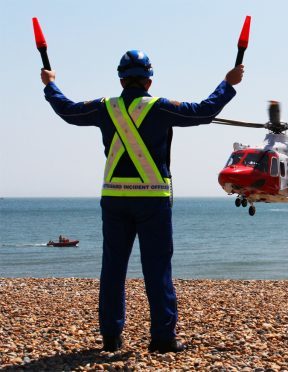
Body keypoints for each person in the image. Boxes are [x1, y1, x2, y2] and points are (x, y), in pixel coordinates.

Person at [41, 50, 243, 353]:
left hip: (113, 199)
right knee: (157, 268)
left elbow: (67, 110)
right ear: (149, 79)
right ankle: (162, 339)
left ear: (121, 79)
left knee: (113, 269)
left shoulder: (103, 107)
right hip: (152, 200)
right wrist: (228, 83)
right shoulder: (160, 108)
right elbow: (204, 111)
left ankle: (111, 338)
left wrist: (50, 84)